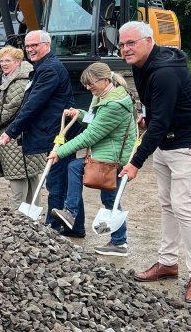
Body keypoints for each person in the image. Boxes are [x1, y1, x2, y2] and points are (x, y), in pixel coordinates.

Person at [118, 21, 191, 303]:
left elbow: (159, 124)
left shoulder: (166, 72)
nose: (125, 49)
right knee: (167, 204)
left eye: (131, 43)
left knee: (184, 206)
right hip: (166, 141)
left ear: (149, 41)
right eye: (122, 44)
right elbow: (156, 110)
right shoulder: (140, 66)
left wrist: (135, 162)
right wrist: (146, 114)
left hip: (189, 143)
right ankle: (167, 262)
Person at [46, 62, 137, 256]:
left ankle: (72, 214)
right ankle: (118, 242)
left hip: (112, 159)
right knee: (110, 199)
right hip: (105, 156)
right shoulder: (104, 97)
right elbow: (94, 121)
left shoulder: (114, 105)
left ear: (105, 80)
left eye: (91, 83)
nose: (88, 88)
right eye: (86, 84)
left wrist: (59, 152)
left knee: (76, 169)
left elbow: (91, 135)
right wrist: (80, 114)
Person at [0, 30, 81, 235]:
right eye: (27, 46)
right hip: (53, 130)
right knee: (62, 179)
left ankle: (53, 229)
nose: (30, 49)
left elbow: (33, 104)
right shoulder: (43, 67)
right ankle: (74, 227)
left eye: (34, 45)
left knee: (56, 181)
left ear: (47, 45)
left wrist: (11, 131)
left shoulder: (49, 69)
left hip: (57, 132)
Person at [0, 47, 44, 204]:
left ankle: (19, 217)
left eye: (7, 60)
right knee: (30, 175)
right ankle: (32, 215)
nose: (3, 64)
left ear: (18, 61)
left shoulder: (19, 82)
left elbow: (8, 109)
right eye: (1, 60)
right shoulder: (14, 77)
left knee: (18, 176)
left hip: (16, 137)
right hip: (25, 134)